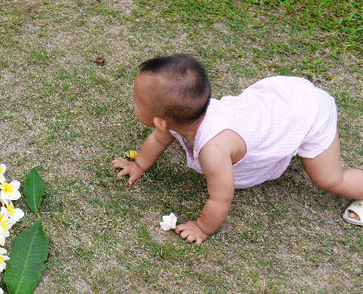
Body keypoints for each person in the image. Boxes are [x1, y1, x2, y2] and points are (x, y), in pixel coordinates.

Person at [111, 54, 363, 244]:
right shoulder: (185, 117)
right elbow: (158, 139)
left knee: (329, 179)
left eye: (137, 103)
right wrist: (139, 164)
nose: (134, 105)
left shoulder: (214, 149)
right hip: (281, 97)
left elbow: (221, 197)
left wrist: (201, 227)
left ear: (160, 121)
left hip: (306, 112)